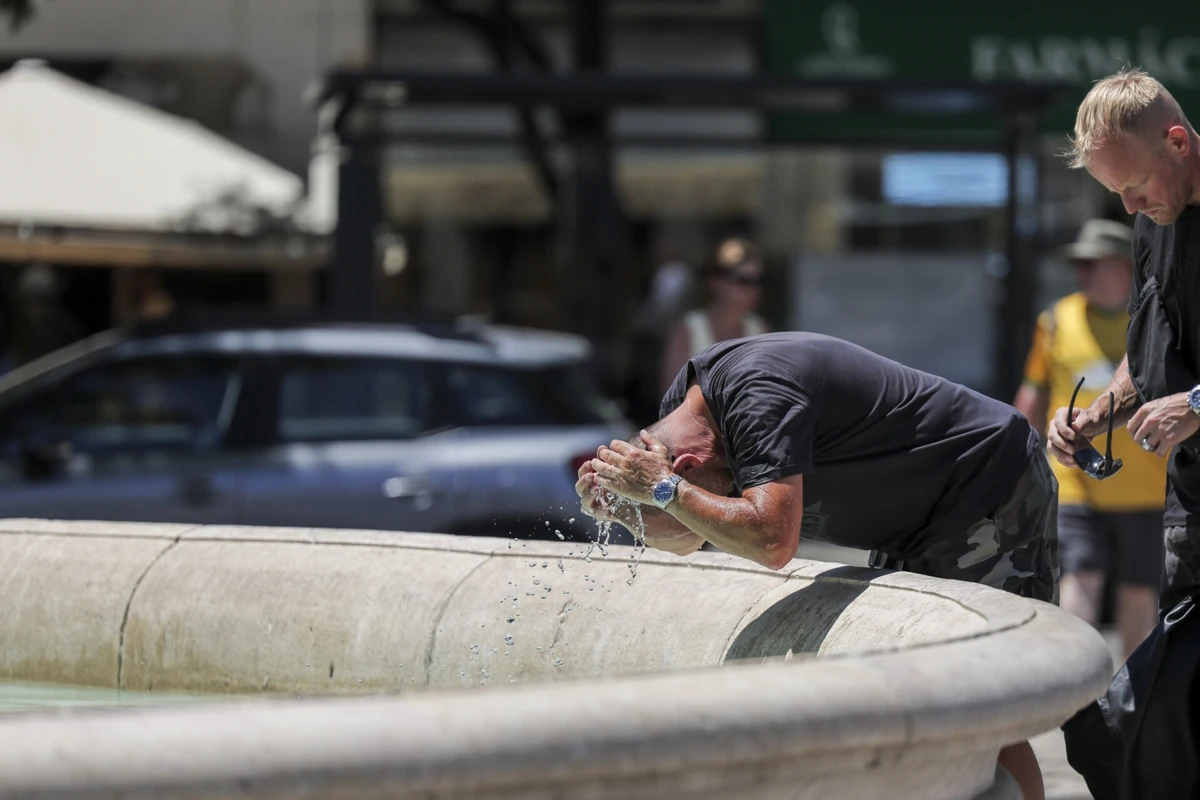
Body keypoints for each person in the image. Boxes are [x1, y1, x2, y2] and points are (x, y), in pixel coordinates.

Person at [577, 332, 1058, 800]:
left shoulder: (755, 394)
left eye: (672, 488)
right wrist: (620, 510)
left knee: (978, 698)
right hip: (917, 521)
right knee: (922, 697)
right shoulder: (681, 422)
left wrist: (663, 492)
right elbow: (690, 538)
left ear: (683, 466)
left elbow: (772, 541)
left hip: (985, 480)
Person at [1050, 67, 1200, 799]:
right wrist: (1094, 416)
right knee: (1126, 734)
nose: (1130, 206)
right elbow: (1145, 360)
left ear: (1179, 141)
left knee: (1135, 721)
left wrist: (1197, 402)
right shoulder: (1150, 226)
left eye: (1135, 185)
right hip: (1190, 517)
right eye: (1116, 193)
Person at [1015, 218, 1165, 661]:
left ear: (1122, 267)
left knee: (1139, 592)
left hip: (1148, 488)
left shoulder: (1154, 322)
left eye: (1090, 263)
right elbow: (1032, 394)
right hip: (1075, 483)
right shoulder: (1055, 320)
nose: (1080, 273)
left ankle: (1134, 693)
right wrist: (1020, 461)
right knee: (1079, 578)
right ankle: (1077, 686)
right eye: (1077, 264)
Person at [659, 238, 769, 396]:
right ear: (715, 281)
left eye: (758, 281)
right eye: (743, 281)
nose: (753, 291)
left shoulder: (760, 329)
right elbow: (672, 397)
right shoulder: (688, 330)